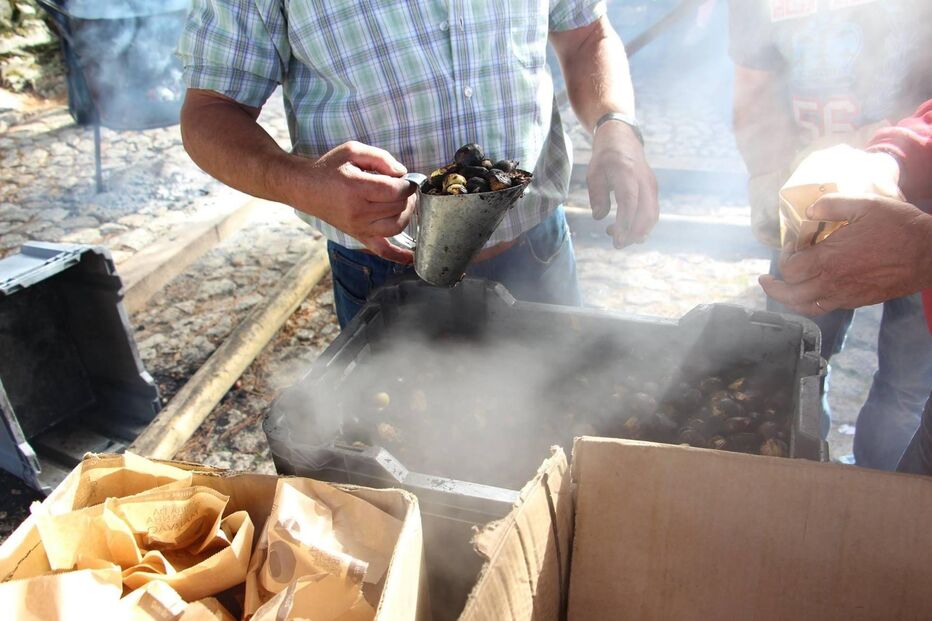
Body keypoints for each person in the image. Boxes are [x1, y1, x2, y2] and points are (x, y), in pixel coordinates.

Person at [176, 1, 658, 328]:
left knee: (565, 424)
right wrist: (301, 182)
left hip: (537, 249)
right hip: (384, 272)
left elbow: (587, 35)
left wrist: (615, 125)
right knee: (399, 444)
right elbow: (210, 111)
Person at [728, 0, 932, 470]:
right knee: (796, 364)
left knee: (908, 389)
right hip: (811, 200)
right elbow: (755, 88)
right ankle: (804, 482)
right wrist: (769, 177)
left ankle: (884, 495)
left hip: (922, 205)